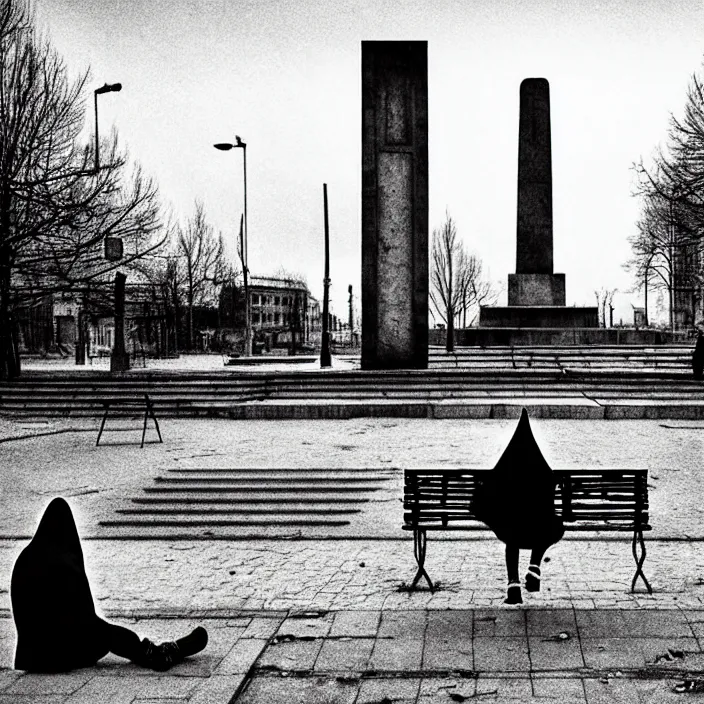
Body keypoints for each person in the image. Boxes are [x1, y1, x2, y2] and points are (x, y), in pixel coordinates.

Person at [11, 497, 208, 672]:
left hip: (32, 656)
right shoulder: (63, 564)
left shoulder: (26, 558)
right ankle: (161, 653)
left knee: (101, 631)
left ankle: (157, 650)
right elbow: (84, 616)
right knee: (107, 634)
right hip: (58, 654)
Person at [472, 408, 564, 605]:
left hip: (512, 531)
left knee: (510, 525)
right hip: (542, 529)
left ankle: (513, 584)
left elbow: (483, 501)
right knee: (548, 522)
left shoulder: (505, 469)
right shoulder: (544, 472)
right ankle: (534, 567)